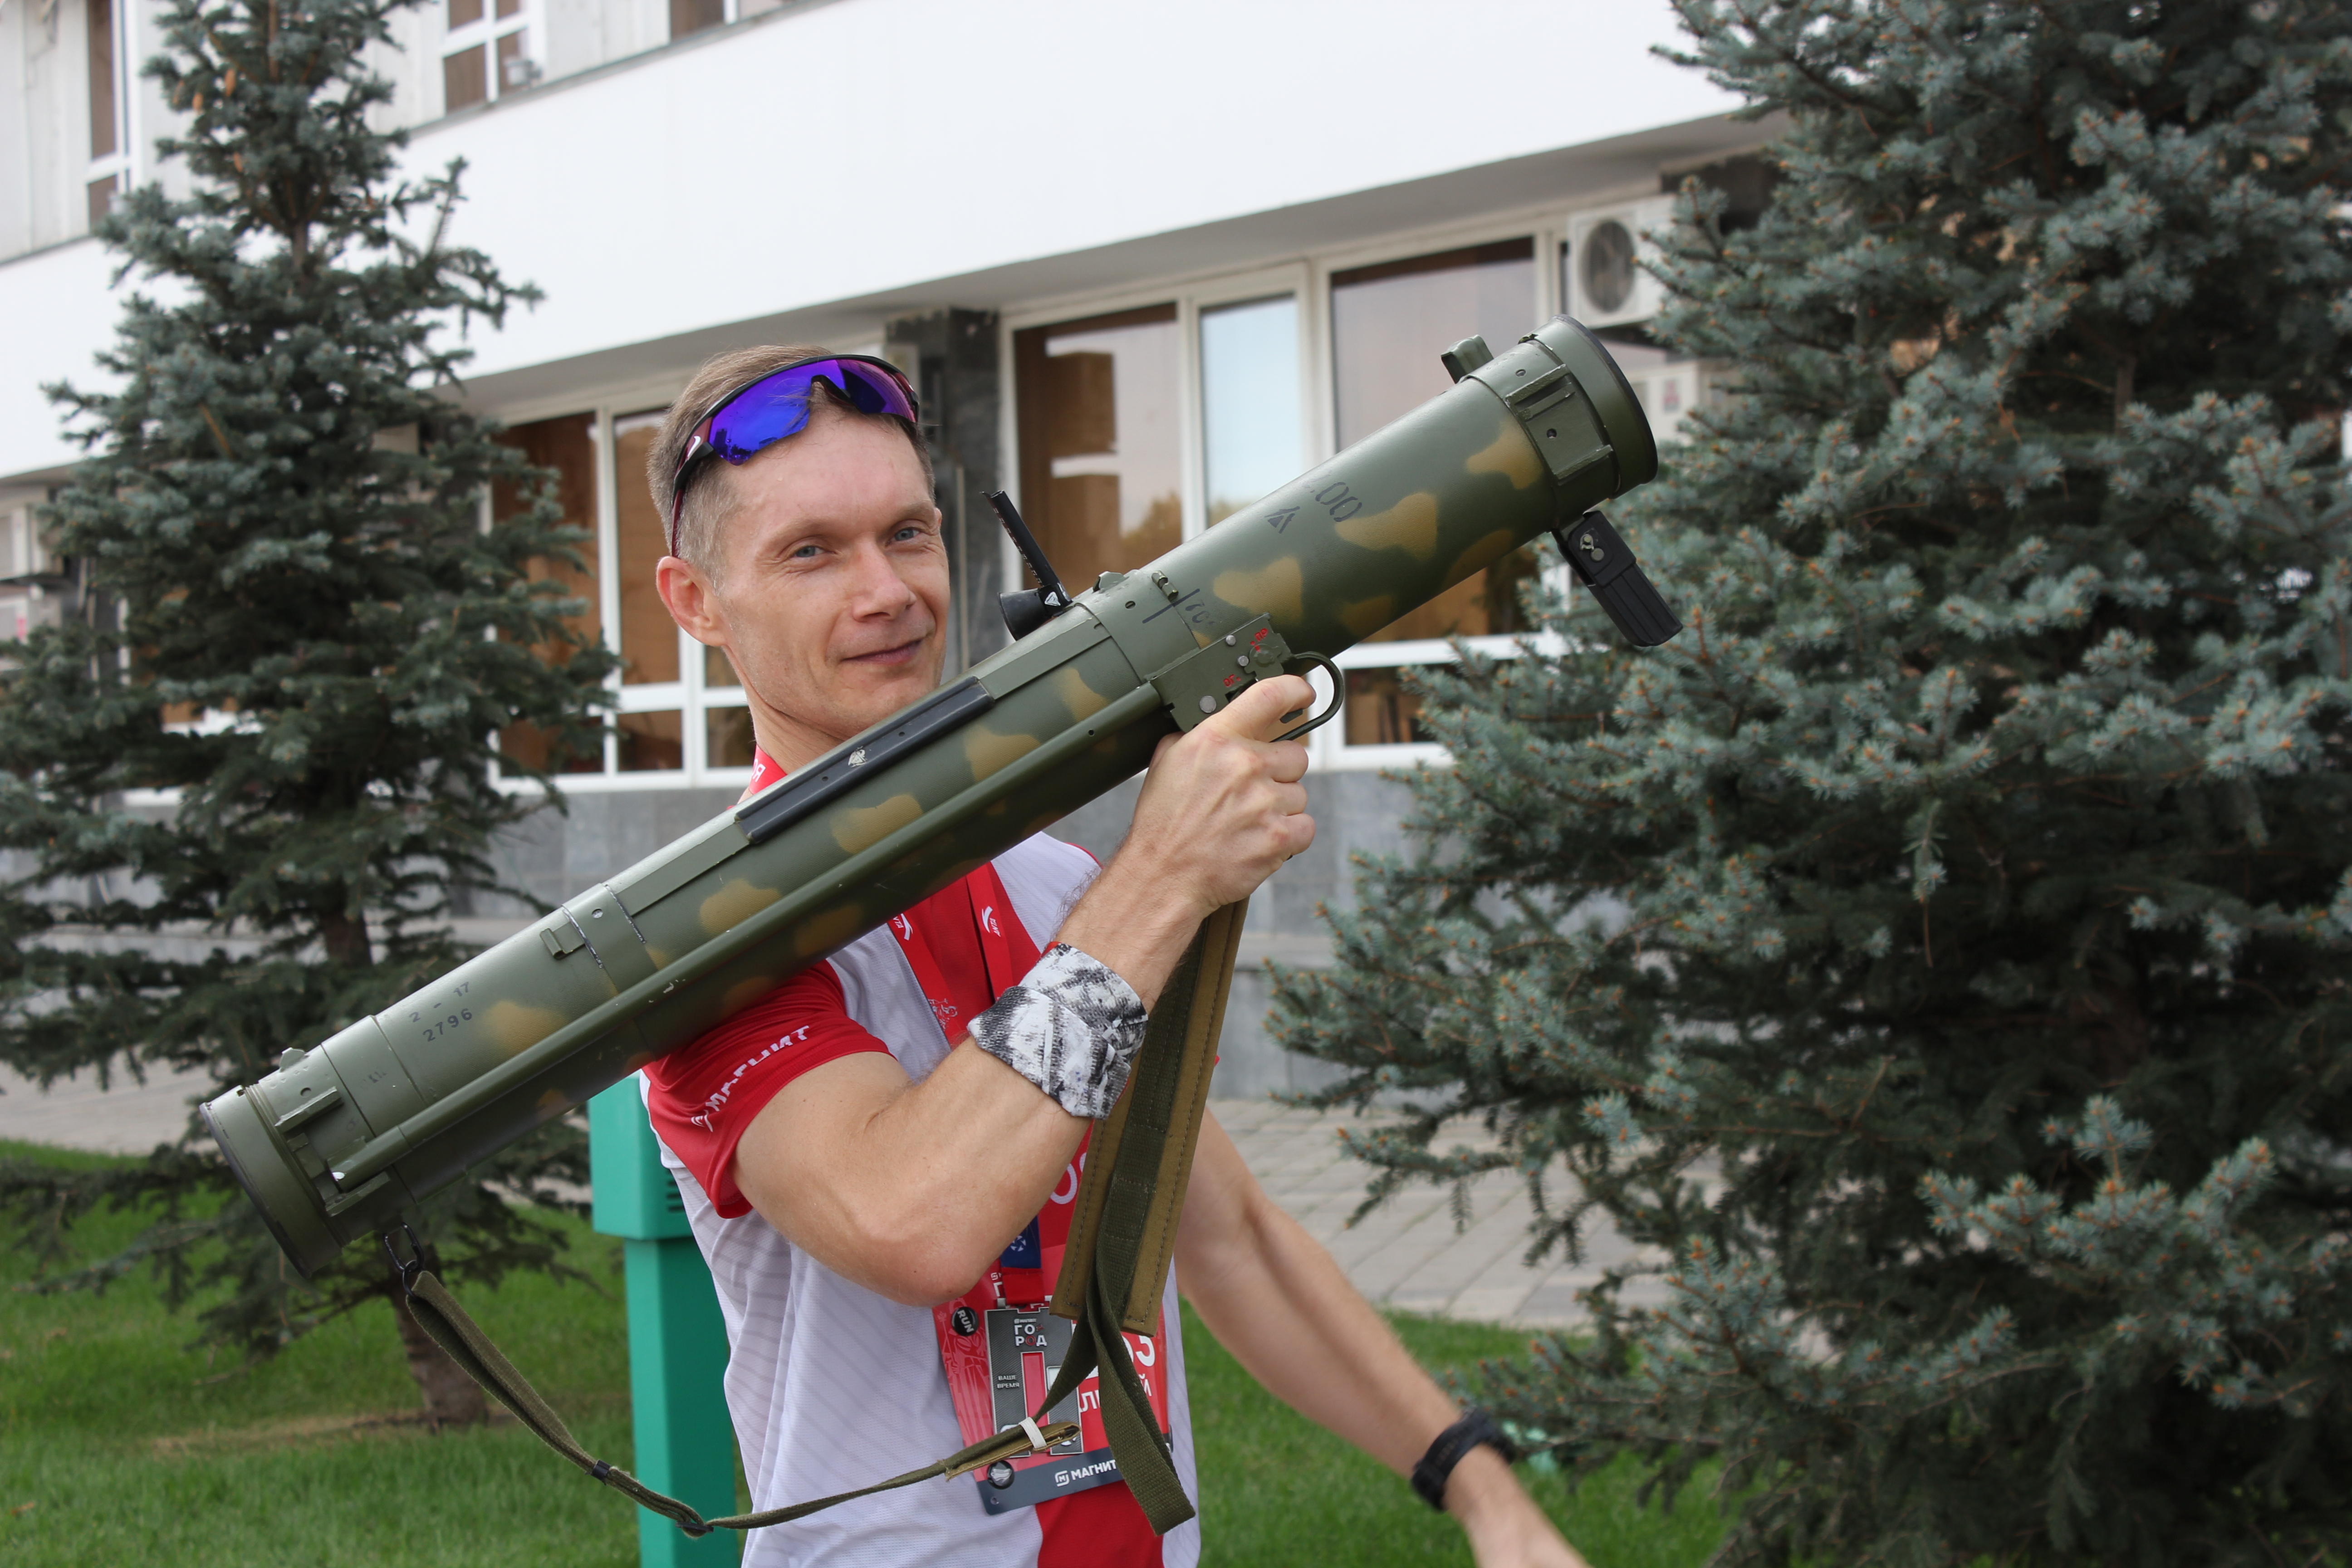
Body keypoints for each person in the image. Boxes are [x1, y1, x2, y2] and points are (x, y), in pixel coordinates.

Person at [637, 345, 1588, 1568]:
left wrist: (1485, 1493)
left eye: (908, 534)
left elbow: (1230, 1240)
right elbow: (913, 1222)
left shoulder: (1058, 888)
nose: (888, 592)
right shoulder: (704, 952)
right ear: (696, 602)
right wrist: (1165, 875)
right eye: (811, 552)